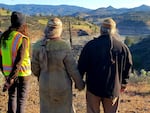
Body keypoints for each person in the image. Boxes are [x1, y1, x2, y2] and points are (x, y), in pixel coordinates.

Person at [78, 18, 133, 113]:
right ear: (114, 31)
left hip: (93, 88)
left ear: (101, 29)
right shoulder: (122, 48)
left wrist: (79, 82)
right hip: (113, 89)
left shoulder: (90, 45)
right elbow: (127, 67)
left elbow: (81, 65)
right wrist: (124, 83)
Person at [31, 17, 85, 113]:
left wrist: (42, 75)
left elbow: (34, 69)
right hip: (62, 87)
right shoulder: (64, 46)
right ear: (59, 30)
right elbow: (72, 69)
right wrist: (79, 84)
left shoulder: (37, 46)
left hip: (45, 85)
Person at [0, 11, 31, 113]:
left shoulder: (3, 37)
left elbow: (0, 57)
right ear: (22, 24)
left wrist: (6, 75)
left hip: (8, 73)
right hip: (23, 74)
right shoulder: (22, 38)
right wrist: (13, 77)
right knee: (21, 100)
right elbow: (19, 60)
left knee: (12, 97)